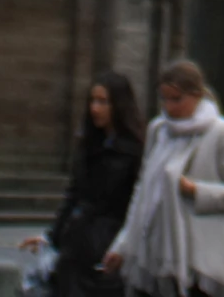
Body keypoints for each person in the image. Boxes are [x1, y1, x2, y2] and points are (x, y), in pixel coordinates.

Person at [103, 61, 224, 297]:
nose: (169, 107)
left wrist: (195, 190)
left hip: (205, 259)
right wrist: (123, 244)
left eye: (176, 99)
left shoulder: (221, 132)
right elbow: (144, 192)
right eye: (164, 99)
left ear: (196, 95)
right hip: (159, 252)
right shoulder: (159, 130)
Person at [25, 73, 143, 297]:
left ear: (119, 105)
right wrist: (52, 236)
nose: (95, 108)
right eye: (93, 101)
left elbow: (137, 204)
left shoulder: (134, 150)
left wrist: (122, 244)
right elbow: (74, 195)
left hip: (109, 248)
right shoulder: (89, 143)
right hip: (78, 245)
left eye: (103, 102)